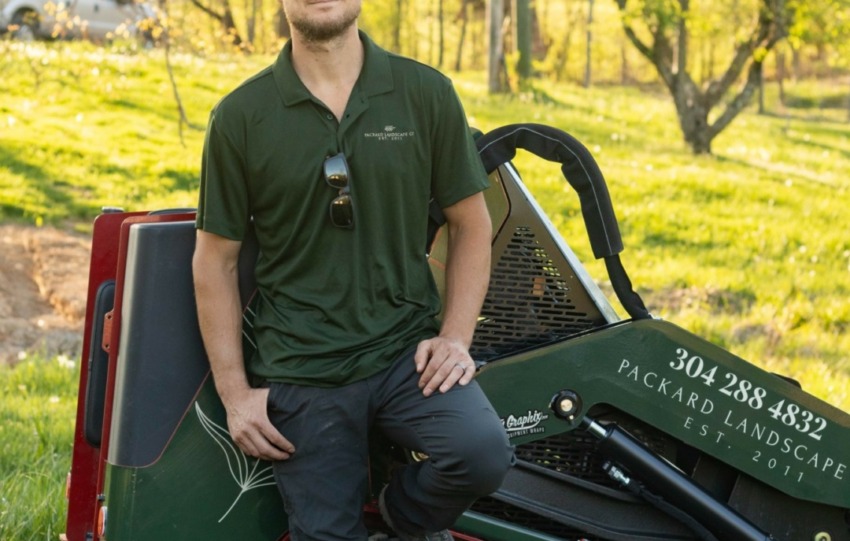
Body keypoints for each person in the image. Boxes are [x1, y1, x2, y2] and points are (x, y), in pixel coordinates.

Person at [192, 1, 514, 540]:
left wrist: (456, 338)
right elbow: (214, 260)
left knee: (480, 454)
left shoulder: (425, 93)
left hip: (406, 353)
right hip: (302, 366)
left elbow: (472, 224)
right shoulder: (240, 116)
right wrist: (235, 396)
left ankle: (401, 519)